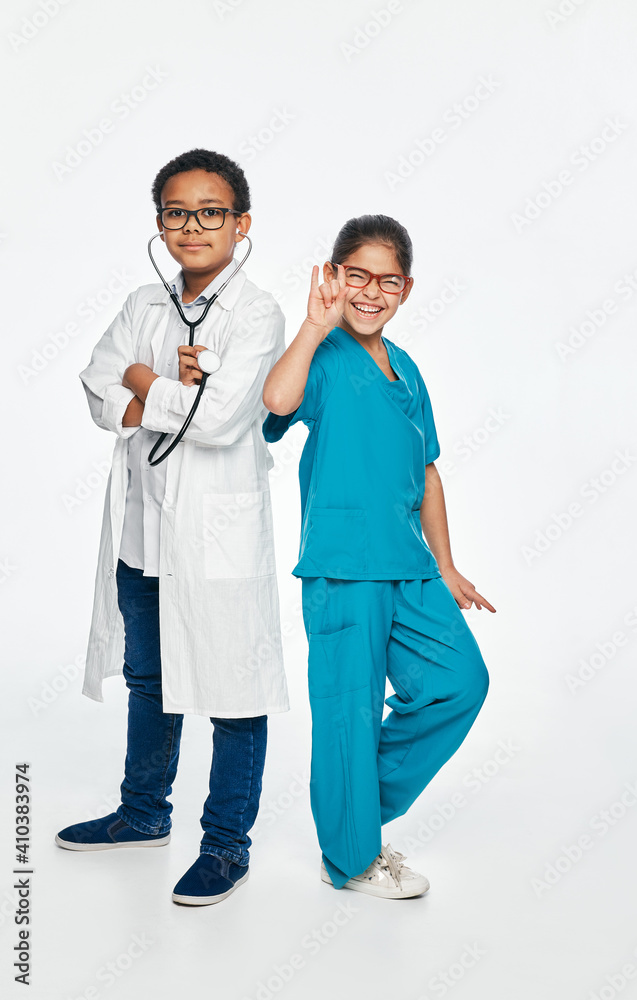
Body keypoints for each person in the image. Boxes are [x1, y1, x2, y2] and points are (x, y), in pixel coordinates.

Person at [55, 148, 289, 906]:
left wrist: (142, 380)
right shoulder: (141, 305)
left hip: (217, 538)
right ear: (159, 224)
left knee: (233, 690)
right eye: (176, 212)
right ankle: (142, 814)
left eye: (210, 212)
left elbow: (217, 422)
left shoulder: (257, 313)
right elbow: (96, 386)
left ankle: (225, 847)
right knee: (148, 680)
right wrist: (160, 388)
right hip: (141, 533)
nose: (193, 226)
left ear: (241, 223)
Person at [262, 214, 495, 899]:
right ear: (335, 277)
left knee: (460, 682)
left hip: (410, 566)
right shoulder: (326, 354)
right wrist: (314, 326)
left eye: (387, 281)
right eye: (356, 276)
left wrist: (446, 565)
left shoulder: (407, 368)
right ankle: (352, 857)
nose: (371, 292)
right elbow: (276, 402)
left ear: (406, 289)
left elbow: (427, 472)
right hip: (342, 568)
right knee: (348, 712)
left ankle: (352, 815)